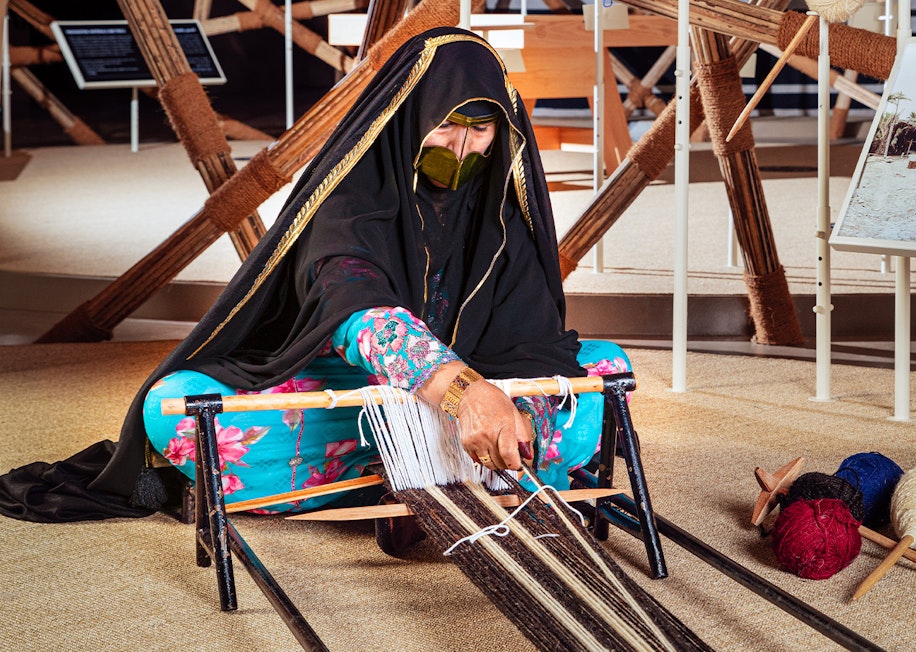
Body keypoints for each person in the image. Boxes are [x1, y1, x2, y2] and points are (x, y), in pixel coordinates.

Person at [0, 27, 631, 524]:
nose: (461, 148)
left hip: (471, 390)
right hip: (350, 389)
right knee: (177, 408)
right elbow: (358, 311)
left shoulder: (500, 211)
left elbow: (533, 341)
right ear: (406, 119)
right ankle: (438, 469)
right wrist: (464, 394)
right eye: (445, 124)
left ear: (504, 131)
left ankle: (403, 474)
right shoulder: (352, 201)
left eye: (480, 128)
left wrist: (493, 391)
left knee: (609, 372)